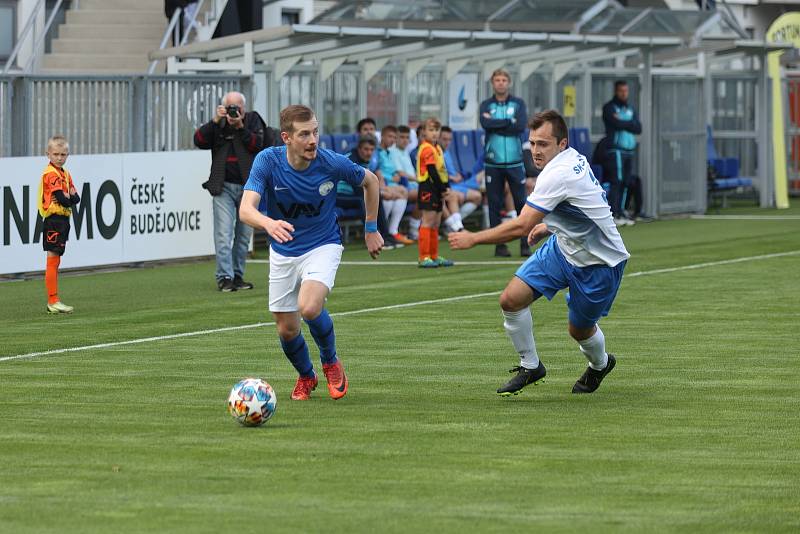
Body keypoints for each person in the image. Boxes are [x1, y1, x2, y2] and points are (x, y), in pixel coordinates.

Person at [449, 110, 629, 396]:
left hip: (600, 263)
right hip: (562, 248)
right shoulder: (572, 159)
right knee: (510, 299)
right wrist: (550, 225)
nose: (535, 150)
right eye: (532, 143)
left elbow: (521, 226)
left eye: (543, 144)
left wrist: (473, 238)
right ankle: (531, 365)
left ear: (562, 144)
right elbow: (586, 204)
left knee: (579, 331)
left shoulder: (558, 174)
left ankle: (601, 364)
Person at [239, 105, 383, 401]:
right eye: (304, 134)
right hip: (282, 251)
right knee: (287, 329)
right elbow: (245, 209)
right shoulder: (267, 161)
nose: (313, 140)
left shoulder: (331, 162)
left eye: (315, 131)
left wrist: (371, 228)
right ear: (287, 138)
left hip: (323, 244)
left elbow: (371, 181)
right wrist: (268, 222)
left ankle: (331, 361)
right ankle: (306, 375)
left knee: (309, 307)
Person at [194, 91, 272, 292]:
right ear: (224, 108)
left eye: (237, 107)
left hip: (250, 187)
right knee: (223, 233)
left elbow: (259, 144)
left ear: (244, 108)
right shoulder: (218, 124)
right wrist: (215, 120)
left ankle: (237, 275)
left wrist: (241, 127)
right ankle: (224, 277)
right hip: (223, 185)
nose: (234, 112)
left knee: (244, 236)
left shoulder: (253, 120)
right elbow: (199, 140)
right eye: (230, 107)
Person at [480, 69, 530, 258]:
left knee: (522, 204)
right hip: (493, 162)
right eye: (497, 80)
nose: (500, 83)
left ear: (509, 83)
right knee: (494, 204)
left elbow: (520, 126)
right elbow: (485, 125)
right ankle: (499, 245)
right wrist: (508, 122)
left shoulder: (518, 103)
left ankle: (525, 243)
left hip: (515, 162)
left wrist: (497, 124)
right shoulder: (486, 104)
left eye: (504, 80)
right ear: (492, 83)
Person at [38, 135, 80, 314]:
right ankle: (52, 300)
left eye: (63, 154)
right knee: (52, 259)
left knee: (56, 259)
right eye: (55, 154)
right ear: (48, 154)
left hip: (63, 220)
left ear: (68, 155)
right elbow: (64, 199)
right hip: (53, 220)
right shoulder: (51, 174)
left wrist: (69, 197)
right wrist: (68, 197)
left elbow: (76, 198)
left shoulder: (66, 173)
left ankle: (53, 301)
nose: (59, 157)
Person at [337, 134, 400, 249]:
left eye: (371, 150)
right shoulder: (351, 160)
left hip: (352, 194)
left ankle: (385, 235)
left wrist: (378, 194)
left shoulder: (365, 160)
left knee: (375, 197)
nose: (369, 152)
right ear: (359, 149)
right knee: (363, 200)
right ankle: (372, 235)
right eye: (366, 149)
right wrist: (378, 193)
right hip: (339, 195)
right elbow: (359, 190)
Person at [416, 118, 456, 268]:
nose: (434, 133)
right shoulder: (426, 148)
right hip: (428, 187)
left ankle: (433, 255)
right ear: (424, 132)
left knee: (436, 222)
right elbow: (432, 171)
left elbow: (442, 171)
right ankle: (424, 256)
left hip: (438, 187)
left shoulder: (438, 148)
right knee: (428, 221)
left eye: (436, 130)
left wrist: (446, 186)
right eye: (431, 130)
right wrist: (443, 188)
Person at [602, 80, 641, 226]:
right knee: (616, 181)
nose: (624, 94)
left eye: (626, 91)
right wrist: (629, 122)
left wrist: (624, 121)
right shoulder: (609, 107)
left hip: (628, 151)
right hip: (615, 150)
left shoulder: (630, 108)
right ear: (616, 91)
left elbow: (638, 127)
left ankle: (622, 210)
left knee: (626, 181)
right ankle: (613, 212)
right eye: (621, 91)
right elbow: (615, 123)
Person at [376, 125, 413, 245]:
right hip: (383, 185)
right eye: (390, 136)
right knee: (393, 196)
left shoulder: (389, 153)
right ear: (382, 136)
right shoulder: (377, 152)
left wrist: (396, 175)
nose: (392, 140)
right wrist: (390, 178)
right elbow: (376, 170)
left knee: (402, 193)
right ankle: (382, 232)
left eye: (394, 137)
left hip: (392, 184)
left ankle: (392, 231)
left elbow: (393, 170)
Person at [439, 126, 482, 228]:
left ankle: (453, 224)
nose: (447, 142)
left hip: (457, 183)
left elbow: (451, 171)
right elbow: (436, 173)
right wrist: (451, 178)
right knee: (459, 195)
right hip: (448, 185)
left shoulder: (447, 152)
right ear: (438, 138)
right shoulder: (436, 152)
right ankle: (456, 226)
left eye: (449, 139)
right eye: (444, 139)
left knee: (478, 196)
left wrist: (459, 175)